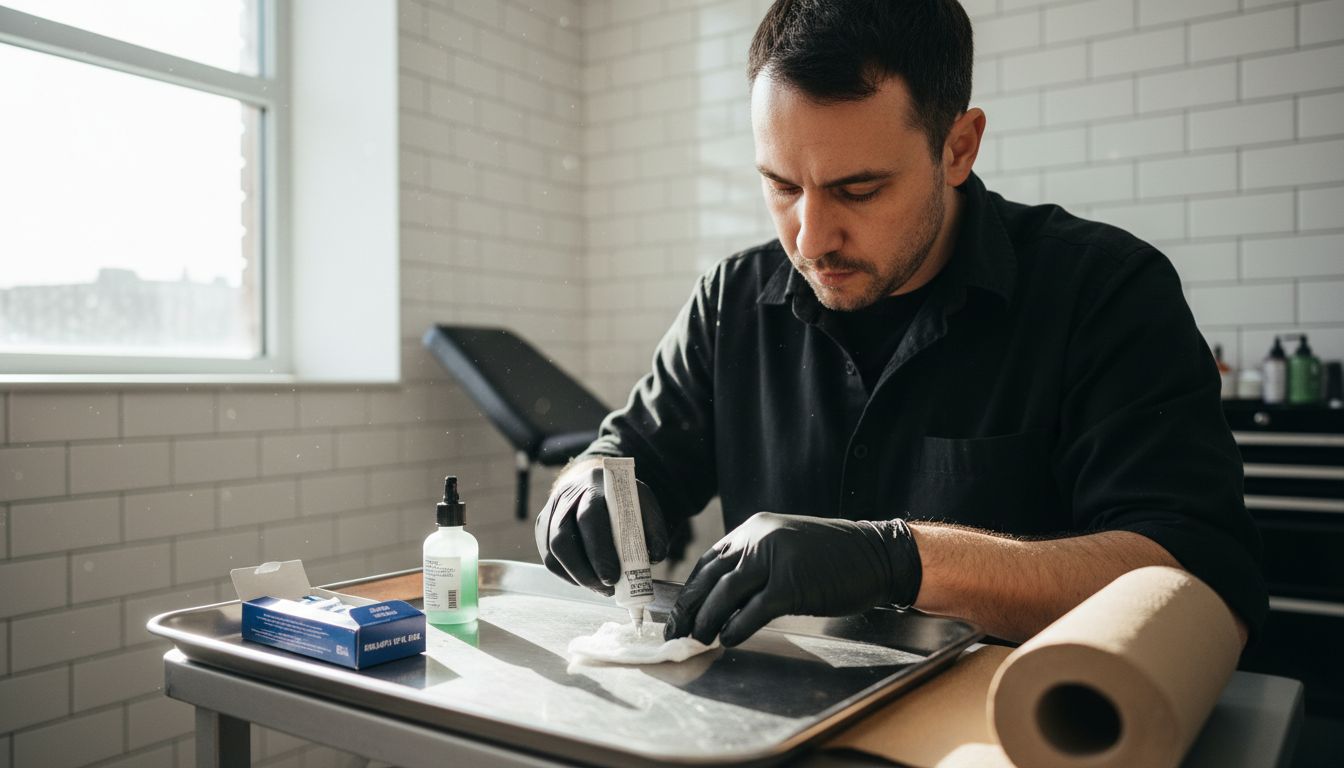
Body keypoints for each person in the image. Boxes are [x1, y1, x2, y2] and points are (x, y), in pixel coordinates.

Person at [536, 0, 1266, 650]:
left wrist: (902, 559)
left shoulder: (1104, 293)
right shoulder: (732, 300)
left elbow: (1191, 575)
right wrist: (583, 490)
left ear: (959, 147)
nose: (812, 239)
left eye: (858, 189)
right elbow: (624, 459)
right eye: (782, 185)